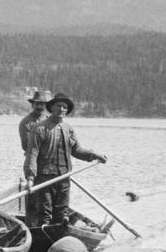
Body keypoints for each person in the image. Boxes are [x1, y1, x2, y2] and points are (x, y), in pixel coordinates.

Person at [24, 92, 108, 225]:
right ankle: (45, 235)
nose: (62, 109)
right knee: (45, 213)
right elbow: (32, 154)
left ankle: (61, 230)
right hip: (44, 178)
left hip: (64, 177)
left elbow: (76, 150)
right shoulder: (39, 129)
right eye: (59, 106)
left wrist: (95, 155)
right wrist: (30, 178)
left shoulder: (68, 129)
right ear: (51, 108)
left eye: (64, 107)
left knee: (62, 212)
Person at [18, 90, 50, 225]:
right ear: (33, 104)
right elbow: (27, 146)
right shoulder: (25, 123)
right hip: (34, 164)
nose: (40, 107)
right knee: (33, 197)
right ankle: (31, 227)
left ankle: (48, 224)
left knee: (48, 197)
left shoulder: (49, 119)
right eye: (37, 104)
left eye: (42, 104)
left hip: (50, 165)